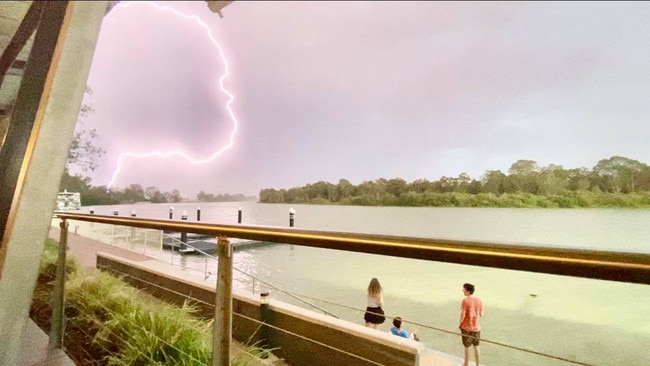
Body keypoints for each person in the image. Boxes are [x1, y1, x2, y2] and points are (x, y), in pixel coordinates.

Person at [459, 283, 484, 366]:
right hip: (476, 328)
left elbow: (463, 314)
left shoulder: (465, 301)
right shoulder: (479, 300)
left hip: (466, 328)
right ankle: (477, 364)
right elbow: (481, 314)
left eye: (464, 289)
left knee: (467, 347)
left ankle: (466, 364)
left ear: (468, 291)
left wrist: (460, 324)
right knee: (476, 346)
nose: (463, 290)